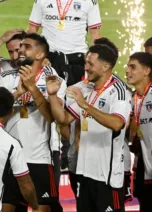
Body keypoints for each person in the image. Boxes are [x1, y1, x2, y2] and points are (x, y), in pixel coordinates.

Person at [46, 40, 131, 212]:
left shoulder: (119, 91)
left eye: (90, 63)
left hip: (107, 177)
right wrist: (53, 95)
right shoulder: (85, 88)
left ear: (106, 66)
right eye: (86, 62)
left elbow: (117, 123)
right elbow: (63, 119)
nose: (85, 67)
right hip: (84, 172)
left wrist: (85, 106)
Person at [0, 33, 66, 212]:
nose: (20, 50)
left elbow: (51, 116)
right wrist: (17, 94)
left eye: (26, 47)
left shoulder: (53, 79)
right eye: (21, 46)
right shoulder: (6, 78)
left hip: (38, 158)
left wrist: (33, 88)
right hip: (8, 158)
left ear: (40, 55)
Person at [27, 0, 101, 87]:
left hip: (77, 60)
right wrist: (37, 57)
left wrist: (93, 62)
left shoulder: (88, 0)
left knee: (74, 103)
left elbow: (95, 36)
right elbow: (32, 32)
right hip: (48, 59)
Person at [125, 52, 152, 211]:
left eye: (133, 67)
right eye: (128, 66)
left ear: (147, 71)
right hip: (144, 165)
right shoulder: (132, 98)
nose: (127, 71)